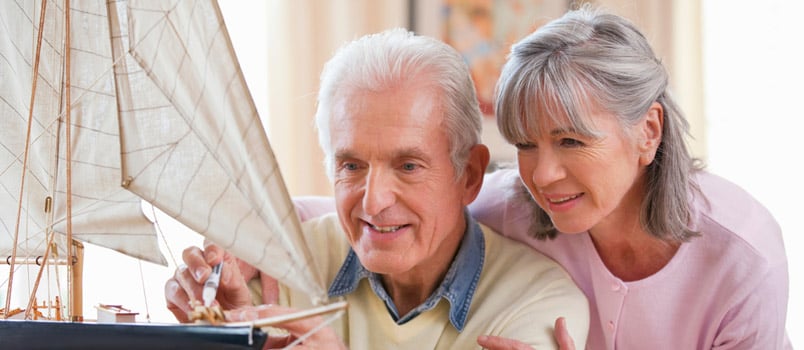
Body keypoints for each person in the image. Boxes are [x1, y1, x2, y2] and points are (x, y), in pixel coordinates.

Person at [288, 6, 793, 350]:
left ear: (648, 130)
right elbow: (385, 207)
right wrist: (252, 233)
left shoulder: (742, 259)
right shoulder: (513, 205)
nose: (542, 174)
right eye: (526, 144)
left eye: (571, 140)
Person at [165, 28, 589, 349]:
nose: (372, 201)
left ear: (470, 176)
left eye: (408, 166)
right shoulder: (277, 264)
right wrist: (214, 330)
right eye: (352, 165)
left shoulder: (540, 304)